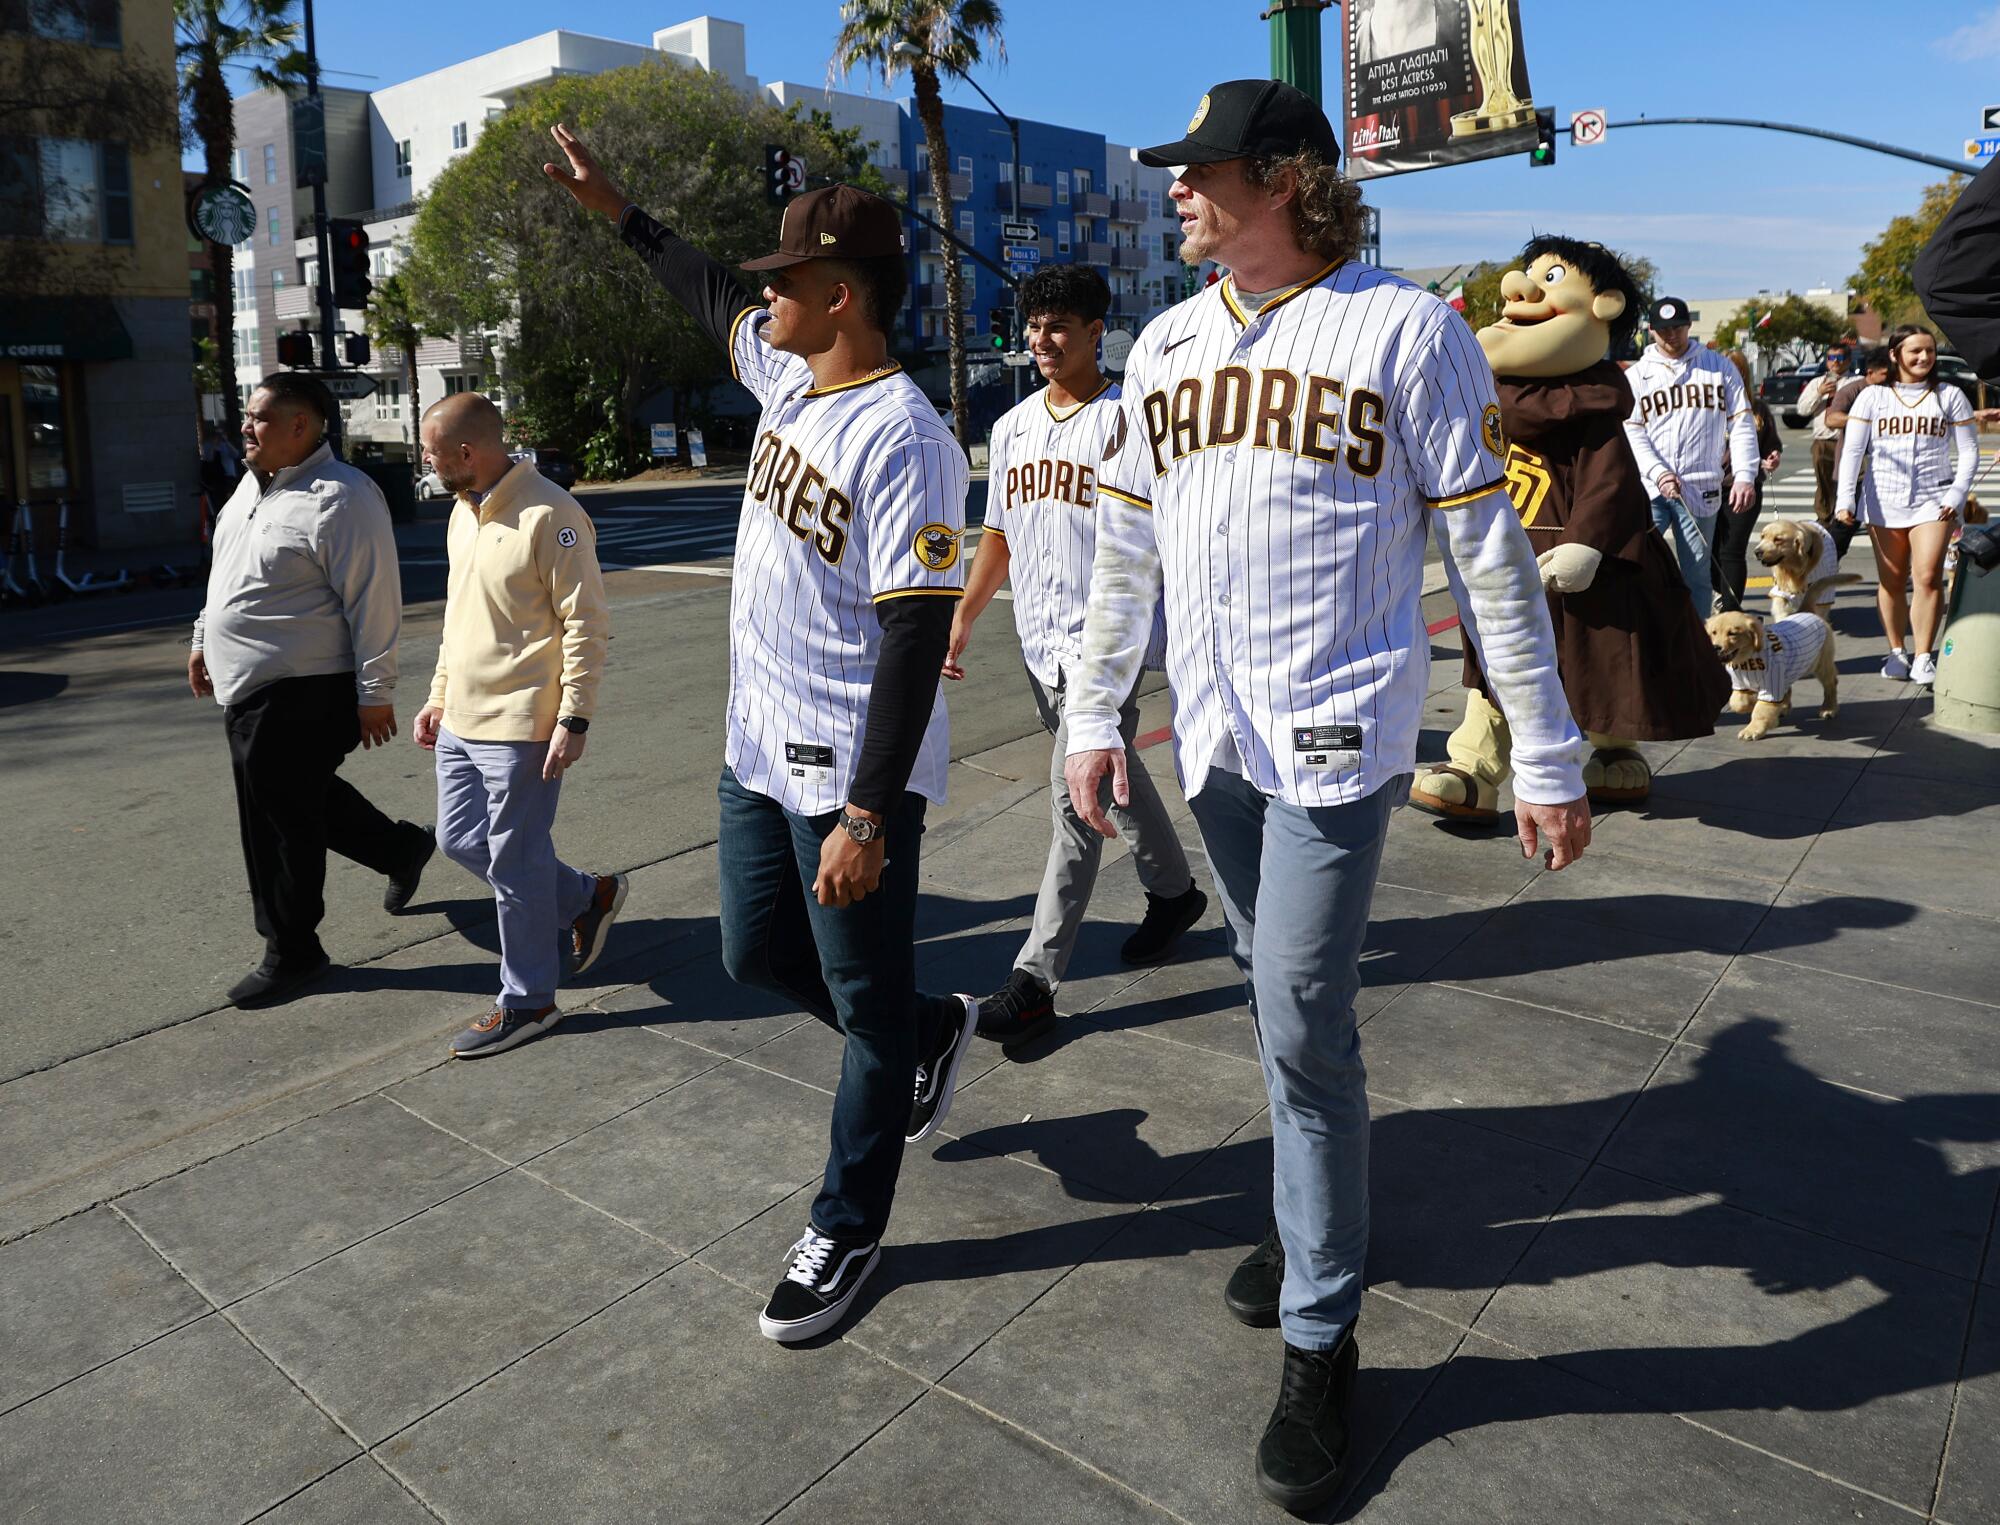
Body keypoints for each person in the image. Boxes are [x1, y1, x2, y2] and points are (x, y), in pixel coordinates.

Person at [1061, 79, 1590, 1513]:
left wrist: (1542, 750)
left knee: (1298, 1010)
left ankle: (1324, 1329)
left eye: (1202, 172)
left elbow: (1489, 558)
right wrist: (1096, 715)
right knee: (1275, 996)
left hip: (1341, 733)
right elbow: (1128, 564)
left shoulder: (1407, 327)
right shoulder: (1164, 349)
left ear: (1285, 180)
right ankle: (1312, 1215)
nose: (1177, 190)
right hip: (1216, 743)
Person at [545, 127, 979, 1345]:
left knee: (860, 995)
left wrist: (866, 813)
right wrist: (610, 202)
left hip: (846, 768)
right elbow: (697, 287)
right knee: (750, 954)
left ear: (838, 296)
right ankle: (926, 1027)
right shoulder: (789, 375)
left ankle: (846, 1221)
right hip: (753, 744)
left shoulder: (910, 440)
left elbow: (912, 636)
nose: (763, 297)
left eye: (783, 280)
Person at [944, 264, 1206, 1047]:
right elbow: (999, 533)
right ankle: (1174, 889)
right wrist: (963, 612)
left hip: (1103, 646)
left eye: (1059, 326)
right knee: (1109, 769)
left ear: (1097, 332)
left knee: (1074, 805)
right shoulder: (1013, 426)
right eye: (1034, 326)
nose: (1042, 339)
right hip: (1038, 640)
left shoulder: (1129, 420)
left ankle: (1036, 978)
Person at [188, 374, 434, 1008]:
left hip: (307, 687)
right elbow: (225, 574)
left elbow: (374, 599)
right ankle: (402, 849)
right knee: (298, 798)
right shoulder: (251, 486)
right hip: (248, 687)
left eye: (258, 418)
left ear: (302, 425)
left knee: (275, 820)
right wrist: (201, 640)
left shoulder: (342, 497)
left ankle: (293, 952)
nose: (244, 427)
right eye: (246, 417)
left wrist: (375, 692)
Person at [413, 392, 627, 1058]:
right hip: (462, 720)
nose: (425, 462)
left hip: (521, 724)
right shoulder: (461, 511)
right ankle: (586, 894)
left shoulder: (550, 514)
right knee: (457, 839)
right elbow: (459, 617)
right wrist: (438, 694)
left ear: (468, 453)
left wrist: (575, 715)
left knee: (513, 861)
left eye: (431, 452)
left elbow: (586, 623)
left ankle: (529, 1000)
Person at [1834, 324, 1979, 687]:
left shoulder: (1950, 395)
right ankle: (1897, 650)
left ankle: (1924, 655)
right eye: (1915, 351)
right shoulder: (1872, 397)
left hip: (1935, 500)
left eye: (1929, 351)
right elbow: (1853, 451)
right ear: (1896, 354)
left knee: (1928, 576)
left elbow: (1970, 451)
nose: (1924, 358)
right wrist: (1845, 500)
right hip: (1884, 498)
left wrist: (1956, 495)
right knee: (1893, 580)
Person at [1622, 297, 1759, 612]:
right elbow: (1632, 430)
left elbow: (1741, 423)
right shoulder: (1637, 374)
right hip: (1650, 488)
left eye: (1676, 328)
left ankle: (1697, 646)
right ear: (1651, 331)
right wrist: (1658, 471)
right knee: (1640, 568)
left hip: (1701, 486)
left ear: (1688, 327)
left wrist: (1744, 475)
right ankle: (1651, 643)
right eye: (1662, 329)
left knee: (1698, 573)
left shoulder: (1718, 366)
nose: (1670, 335)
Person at [1712, 349, 1784, 614]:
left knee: (1732, 551)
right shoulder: (1707, 404)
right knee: (1710, 552)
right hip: (1707, 487)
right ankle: (1720, 590)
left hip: (1743, 489)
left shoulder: (1758, 409)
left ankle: (1731, 610)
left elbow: (1771, 446)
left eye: (1735, 370)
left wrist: (1771, 458)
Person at [1824, 346, 1892, 559]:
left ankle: (1901, 571)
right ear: (1870, 372)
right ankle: (1825, 565)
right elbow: (1831, 419)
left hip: (1885, 470)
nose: (1889, 379)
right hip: (1858, 471)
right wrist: (1862, 419)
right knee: (1844, 527)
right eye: (1885, 375)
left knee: (1889, 527)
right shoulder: (1853, 390)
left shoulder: (1892, 391)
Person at [1796, 345, 1849, 524]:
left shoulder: (1854, 382)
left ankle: (1844, 515)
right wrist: (1819, 394)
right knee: (1824, 482)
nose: (1835, 362)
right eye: (1831, 358)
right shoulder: (1816, 383)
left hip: (1846, 440)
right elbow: (1802, 410)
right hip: (1823, 440)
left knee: (1847, 481)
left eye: (1840, 358)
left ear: (1848, 361)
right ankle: (1824, 517)